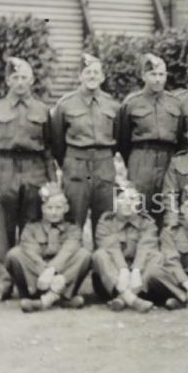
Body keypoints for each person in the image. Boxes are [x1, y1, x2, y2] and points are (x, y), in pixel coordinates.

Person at [0, 57, 56, 301]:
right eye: (15, 78)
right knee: (4, 230)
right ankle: (4, 281)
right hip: (5, 169)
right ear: (8, 80)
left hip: (34, 171)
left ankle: (27, 280)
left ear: (32, 80)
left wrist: (52, 183)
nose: (20, 82)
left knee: (30, 228)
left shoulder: (42, 110)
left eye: (24, 78)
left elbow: (48, 150)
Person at [50, 53, 120, 237]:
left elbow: (120, 138)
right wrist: (70, 162)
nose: (92, 76)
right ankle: (75, 262)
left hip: (104, 166)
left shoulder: (113, 105)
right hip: (76, 166)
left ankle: (101, 263)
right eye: (87, 72)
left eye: (96, 72)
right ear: (80, 76)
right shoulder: (65, 105)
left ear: (103, 76)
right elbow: (56, 142)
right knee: (73, 219)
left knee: (105, 220)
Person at [4, 182, 91, 313]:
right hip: (38, 277)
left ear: (66, 208)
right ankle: (41, 296)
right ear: (43, 209)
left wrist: (52, 270)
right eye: (49, 208)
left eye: (58, 207)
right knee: (14, 255)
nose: (54, 212)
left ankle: (49, 299)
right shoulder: (31, 227)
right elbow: (31, 253)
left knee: (84, 255)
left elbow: (68, 251)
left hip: (60, 274)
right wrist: (44, 272)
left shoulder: (73, 228)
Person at [117, 53, 183, 222]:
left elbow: (181, 135)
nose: (157, 79)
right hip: (141, 158)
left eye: (161, 74)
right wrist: (134, 159)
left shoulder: (175, 103)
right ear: (143, 75)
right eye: (153, 74)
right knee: (139, 202)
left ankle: (164, 243)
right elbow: (122, 138)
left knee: (166, 202)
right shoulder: (132, 102)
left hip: (168, 158)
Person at [91, 183, 165, 313]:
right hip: (111, 281)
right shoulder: (106, 222)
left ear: (138, 203)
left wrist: (136, 270)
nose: (127, 203)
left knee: (157, 256)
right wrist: (123, 270)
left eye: (132, 199)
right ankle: (131, 299)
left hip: (139, 280)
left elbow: (146, 247)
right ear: (115, 202)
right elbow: (111, 247)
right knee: (100, 255)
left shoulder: (147, 223)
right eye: (122, 198)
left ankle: (123, 299)